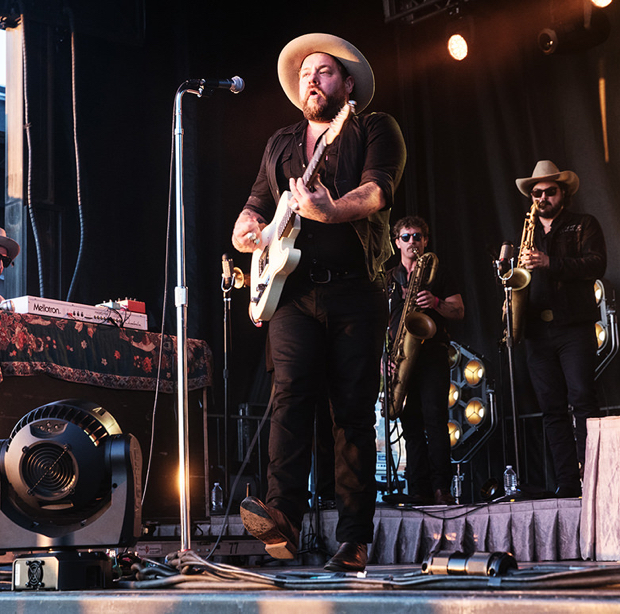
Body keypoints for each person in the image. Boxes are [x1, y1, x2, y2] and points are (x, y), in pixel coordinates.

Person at [230, 33, 406, 572]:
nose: (313, 79)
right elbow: (255, 207)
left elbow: (377, 192)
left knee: (351, 414)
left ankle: (353, 539)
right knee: (289, 396)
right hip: (292, 292)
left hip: (356, 289)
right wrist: (247, 233)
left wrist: (329, 212)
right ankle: (282, 514)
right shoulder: (282, 142)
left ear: (347, 84)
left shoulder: (375, 128)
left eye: (325, 71)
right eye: (306, 73)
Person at [513, 160, 606, 498]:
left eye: (549, 192)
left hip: (574, 327)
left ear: (562, 193)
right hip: (537, 330)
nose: (542, 198)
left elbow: (597, 264)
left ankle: (594, 476)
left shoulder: (584, 225)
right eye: (536, 193)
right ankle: (566, 482)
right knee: (552, 409)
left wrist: (550, 263)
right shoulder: (527, 231)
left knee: (583, 401)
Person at [386, 216, 463, 506]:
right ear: (396, 242)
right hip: (401, 358)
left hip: (431, 354)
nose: (412, 242)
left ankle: (441, 487)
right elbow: (377, 323)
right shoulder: (388, 279)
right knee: (411, 426)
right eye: (406, 237)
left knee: (435, 421)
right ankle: (418, 489)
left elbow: (459, 311)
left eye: (417, 237)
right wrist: (384, 360)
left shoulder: (440, 273)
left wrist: (436, 303)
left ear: (426, 241)